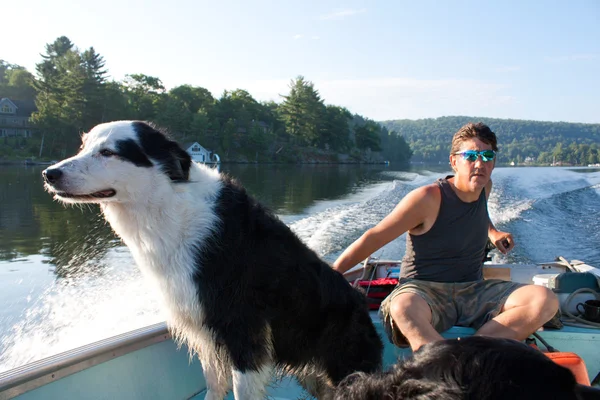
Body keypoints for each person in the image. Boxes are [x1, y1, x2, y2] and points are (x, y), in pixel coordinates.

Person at [332, 122, 559, 351]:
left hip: (473, 289)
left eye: (487, 155)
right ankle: (443, 364)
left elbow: (481, 214)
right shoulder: (428, 199)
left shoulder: (484, 187)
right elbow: (374, 237)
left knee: (544, 300)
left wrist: (493, 232)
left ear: (494, 161)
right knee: (403, 307)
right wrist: (332, 275)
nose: (479, 163)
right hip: (424, 291)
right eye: (471, 156)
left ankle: (467, 356)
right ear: (454, 161)